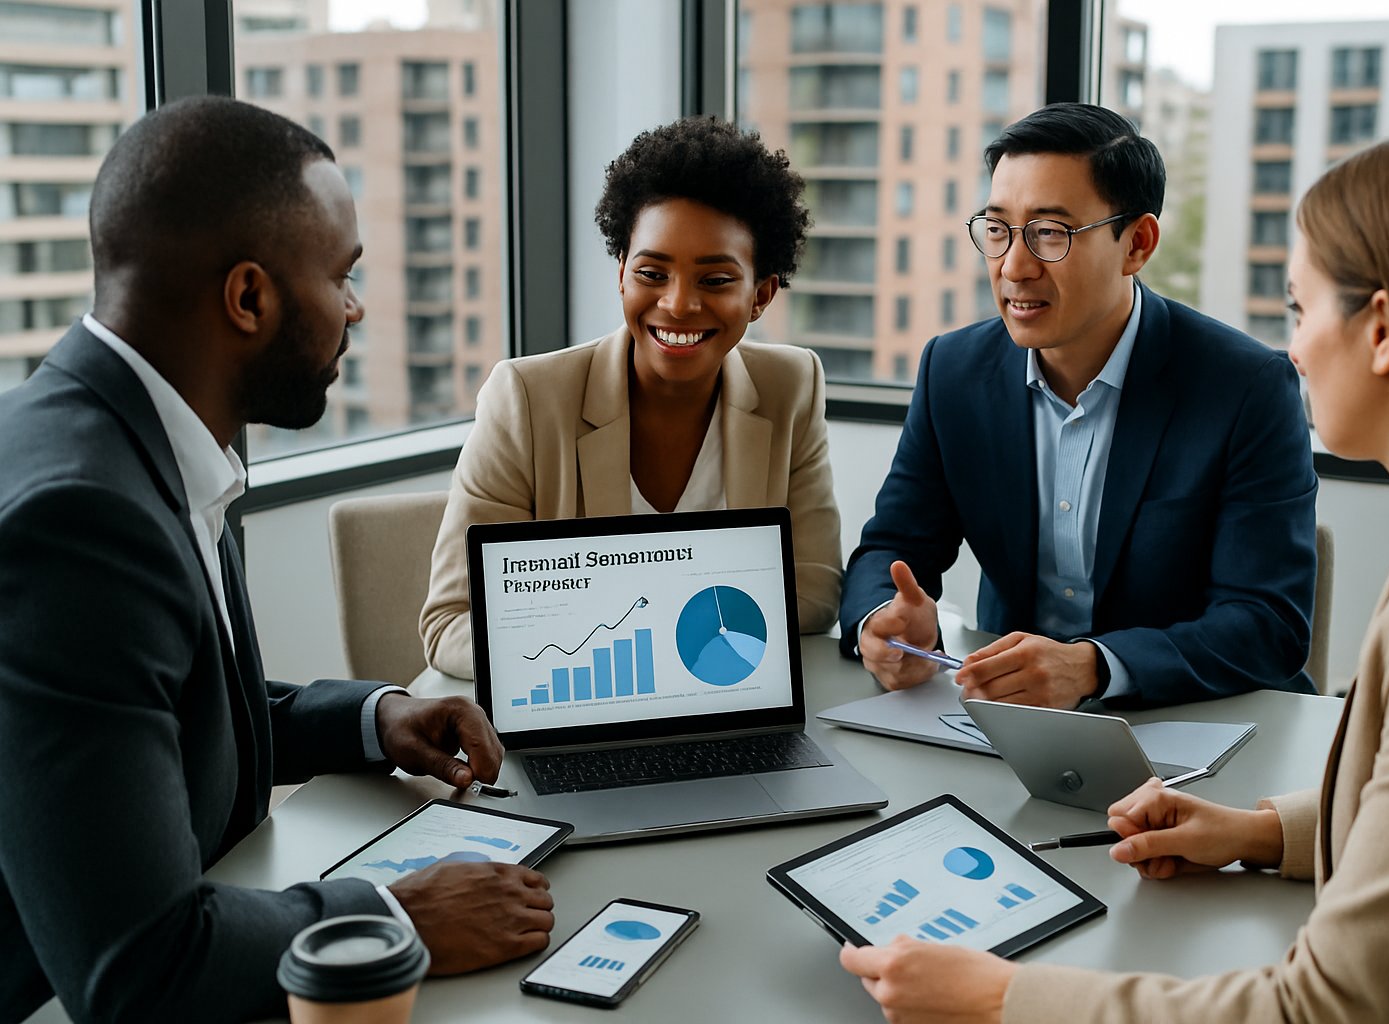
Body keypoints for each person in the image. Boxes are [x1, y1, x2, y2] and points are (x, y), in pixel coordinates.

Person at [840, 127, 1389, 1022]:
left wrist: (1006, 999)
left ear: (1385, 329)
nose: (1292, 351)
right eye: (998, 230)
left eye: (1298, 309)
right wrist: (1261, 831)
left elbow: (1333, 1008)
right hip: (1040, 774)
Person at [0, 97, 555, 1024]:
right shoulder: (78, 522)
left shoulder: (131, 438)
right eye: (341, 276)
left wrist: (380, 719)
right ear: (249, 297)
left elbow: (171, 710)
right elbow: (143, 968)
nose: (357, 307)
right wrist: (395, 916)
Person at [841, 103, 1317, 709]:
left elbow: (1266, 623)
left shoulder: (1245, 387)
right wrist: (881, 618)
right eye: (998, 229)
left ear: (1136, 244)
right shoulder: (954, 372)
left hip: (1197, 723)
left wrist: (1094, 668)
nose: (1014, 266)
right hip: (1014, 725)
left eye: (1049, 233)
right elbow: (892, 545)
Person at [421, 116, 841, 680]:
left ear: (761, 294)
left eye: (715, 280)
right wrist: (647, 647)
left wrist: (626, 634)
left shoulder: (791, 385)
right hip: (575, 717)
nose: (678, 305)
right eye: (652, 272)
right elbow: (451, 623)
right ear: (622, 274)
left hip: (719, 701)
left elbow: (814, 590)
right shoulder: (525, 399)